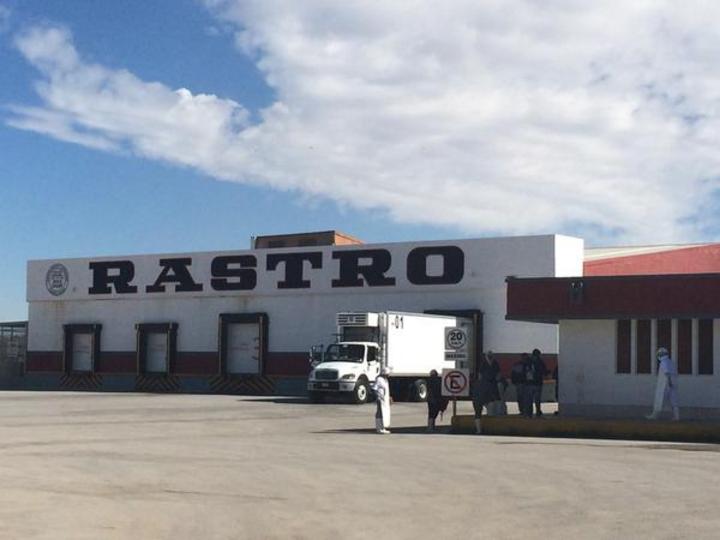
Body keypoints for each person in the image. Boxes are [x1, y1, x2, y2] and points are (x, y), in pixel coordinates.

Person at [646, 347, 680, 421]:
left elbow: (667, 372)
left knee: (659, 398)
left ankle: (654, 415)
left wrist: (669, 382)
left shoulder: (663, 362)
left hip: (665, 384)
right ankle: (677, 416)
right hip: (673, 383)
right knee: (673, 400)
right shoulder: (671, 362)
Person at [471, 352, 501, 433]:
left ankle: (479, 430)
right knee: (491, 407)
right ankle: (483, 429)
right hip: (487, 392)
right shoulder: (486, 364)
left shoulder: (491, 364)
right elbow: (498, 375)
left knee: (479, 413)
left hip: (480, 395)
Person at [528, 348, 547, 417]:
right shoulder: (540, 362)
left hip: (530, 383)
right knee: (537, 399)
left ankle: (530, 412)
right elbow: (544, 372)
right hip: (537, 383)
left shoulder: (529, 362)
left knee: (530, 399)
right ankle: (537, 412)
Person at [373, 368, 392, 434]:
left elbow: (386, 389)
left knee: (384, 413)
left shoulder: (385, 380)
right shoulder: (379, 379)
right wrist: (377, 397)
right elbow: (375, 389)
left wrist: (389, 397)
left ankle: (383, 427)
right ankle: (379, 428)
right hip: (380, 399)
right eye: (387, 374)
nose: (388, 375)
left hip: (385, 399)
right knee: (379, 412)